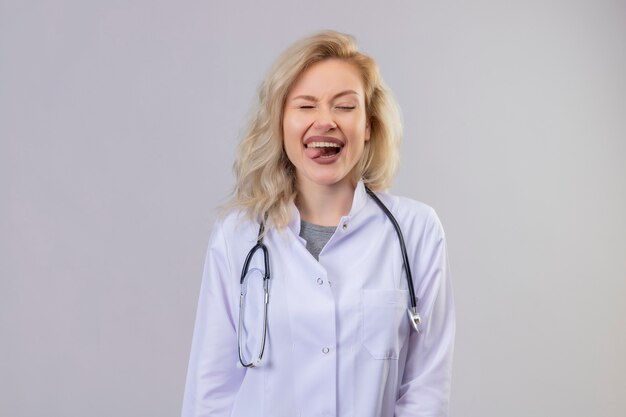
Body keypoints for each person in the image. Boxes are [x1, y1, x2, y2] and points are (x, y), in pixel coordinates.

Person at [181, 31, 455, 417]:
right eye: (305, 106)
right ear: (280, 122)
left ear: (370, 125)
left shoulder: (417, 232)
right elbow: (209, 393)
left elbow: (426, 391)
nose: (324, 122)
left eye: (344, 106)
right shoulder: (237, 237)